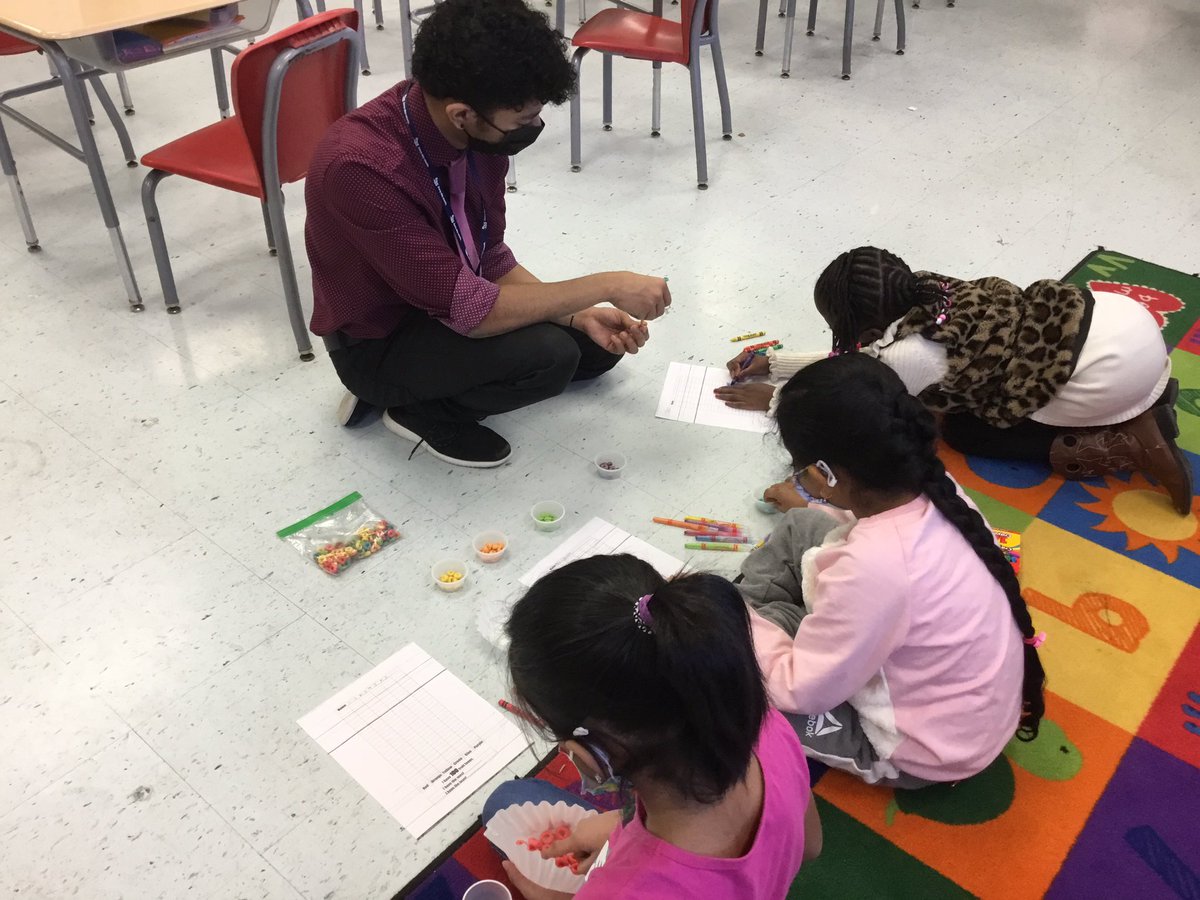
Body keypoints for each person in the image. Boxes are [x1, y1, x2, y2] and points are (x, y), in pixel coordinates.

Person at [305, 0, 671, 468]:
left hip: (447, 294)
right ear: (462, 114)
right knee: (552, 356)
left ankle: (445, 379)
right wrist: (607, 286)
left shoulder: (477, 135)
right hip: (380, 341)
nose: (534, 129)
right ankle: (417, 409)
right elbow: (470, 313)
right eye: (522, 122)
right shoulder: (360, 168)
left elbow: (489, 255)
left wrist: (580, 314)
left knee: (594, 350)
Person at [740, 353, 1046, 787]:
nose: (801, 482)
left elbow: (802, 690)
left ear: (828, 473)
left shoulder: (876, 566)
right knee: (801, 524)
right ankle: (759, 616)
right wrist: (811, 502)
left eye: (804, 474)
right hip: (966, 704)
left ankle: (749, 615)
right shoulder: (933, 484)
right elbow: (869, 543)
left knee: (727, 666)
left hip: (924, 750)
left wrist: (733, 619)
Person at [715, 246, 1193, 514]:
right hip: (1123, 325)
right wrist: (775, 362)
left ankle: (1120, 439)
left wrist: (777, 398)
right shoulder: (926, 288)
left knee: (965, 431)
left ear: (865, 327)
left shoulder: (911, 354)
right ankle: (1145, 400)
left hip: (1108, 375)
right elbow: (860, 358)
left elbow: (851, 385)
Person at [483, 555, 821, 899]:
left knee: (505, 801)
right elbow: (810, 846)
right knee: (512, 800)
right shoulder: (767, 727)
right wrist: (622, 824)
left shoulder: (627, 892)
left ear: (590, 758)